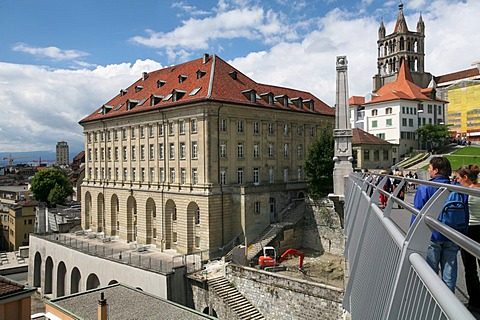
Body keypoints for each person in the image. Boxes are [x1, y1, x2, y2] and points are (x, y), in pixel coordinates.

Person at [412, 156, 467, 292]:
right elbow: (466, 214)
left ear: (436, 170)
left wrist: (413, 237)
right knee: (450, 275)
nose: (428, 170)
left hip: (432, 235)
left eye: (429, 168)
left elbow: (417, 214)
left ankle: (434, 304)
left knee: (431, 273)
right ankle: (450, 305)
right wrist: (462, 236)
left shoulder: (426, 187)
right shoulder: (458, 188)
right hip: (453, 234)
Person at [456, 164, 480, 311]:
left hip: (469, 230)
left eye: (458, 178)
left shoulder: (465, 192)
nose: (457, 181)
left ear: (465, 177)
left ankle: (476, 302)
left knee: (470, 269)